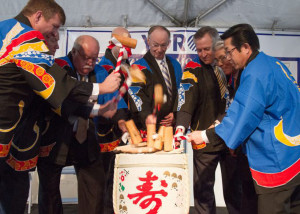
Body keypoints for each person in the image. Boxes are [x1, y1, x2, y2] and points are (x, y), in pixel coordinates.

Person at [188, 23, 300, 214]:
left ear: (246, 48)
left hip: (276, 160)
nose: (228, 58)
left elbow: (244, 115)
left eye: (230, 52)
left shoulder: (254, 72)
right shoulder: (273, 63)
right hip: (294, 154)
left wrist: (206, 136)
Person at [0, 0, 121, 173]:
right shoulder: (26, 37)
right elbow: (51, 81)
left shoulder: (4, 28)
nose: (55, 34)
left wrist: (97, 109)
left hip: (16, 133)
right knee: (15, 194)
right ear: (38, 16)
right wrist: (100, 88)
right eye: (54, 27)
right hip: (7, 125)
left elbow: (58, 103)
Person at [37, 35, 117, 214]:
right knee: (49, 194)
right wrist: (98, 109)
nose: (90, 63)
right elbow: (64, 99)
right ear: (74, 52)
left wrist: (118, 116)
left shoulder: (100, 71)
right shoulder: (58, 67)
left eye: (94, 58)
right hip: (55, 136)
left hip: (85, 136)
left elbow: (112, 103)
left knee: (95, 184)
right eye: (86, 57)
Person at [175, 26, 241, 214]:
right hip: (203, 140)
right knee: (203, 193)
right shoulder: (193, 68)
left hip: (230, 139)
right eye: (199, 49)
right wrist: (181, 126)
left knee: (235, 191)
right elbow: (185, 97)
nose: (203, 54)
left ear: (218, 45)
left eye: (207, 49)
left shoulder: (233, 66)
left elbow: (236, 103)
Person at [97, 27, 131, 214]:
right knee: (106, 177)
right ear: (114, 43)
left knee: (119, 177)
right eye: (124, 43)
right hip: (107, 128)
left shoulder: (126, 65)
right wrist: (120, 120)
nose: (127, 48)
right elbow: (110, 98)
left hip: (123, 127)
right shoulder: (105, 67)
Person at [128, 25, 182, 131]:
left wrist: (175, 114)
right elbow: (137, 96)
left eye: (163, 45)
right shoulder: (137, 68)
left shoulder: (175, 64)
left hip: (171, 126)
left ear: (169, 43)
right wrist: (147, 116)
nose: (159, 49)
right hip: (149, 127)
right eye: (155, 45)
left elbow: (181, 92)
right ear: (148, 41)